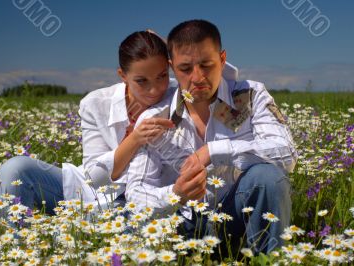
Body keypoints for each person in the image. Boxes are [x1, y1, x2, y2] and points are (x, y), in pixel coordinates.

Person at [0, 30, 238, 216]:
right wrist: (134, 139)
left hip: (150, 203)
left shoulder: (180, 95)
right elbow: (93, 177)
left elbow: (223, 78)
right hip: (87, 193)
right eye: (141, 81)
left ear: (171, 68)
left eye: (162, 76)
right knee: (15, 169)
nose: (155, 89)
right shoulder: (96, 104)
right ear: (122, 75)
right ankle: (10, 246)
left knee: (129, 223)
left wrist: (178, 49)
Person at [122, 20, 297, 254]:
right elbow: (135, 192)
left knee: (268, 177)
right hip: (184, 224)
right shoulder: (156, 118)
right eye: (185, 69)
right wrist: (176, 194)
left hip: (236, 216)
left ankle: (266, 258)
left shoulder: (249, 96)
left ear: (222, 59)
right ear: (172, 67)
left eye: (207, 65)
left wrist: (215, 151)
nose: (198, 77)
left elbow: (287, 154)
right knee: (126, 226)